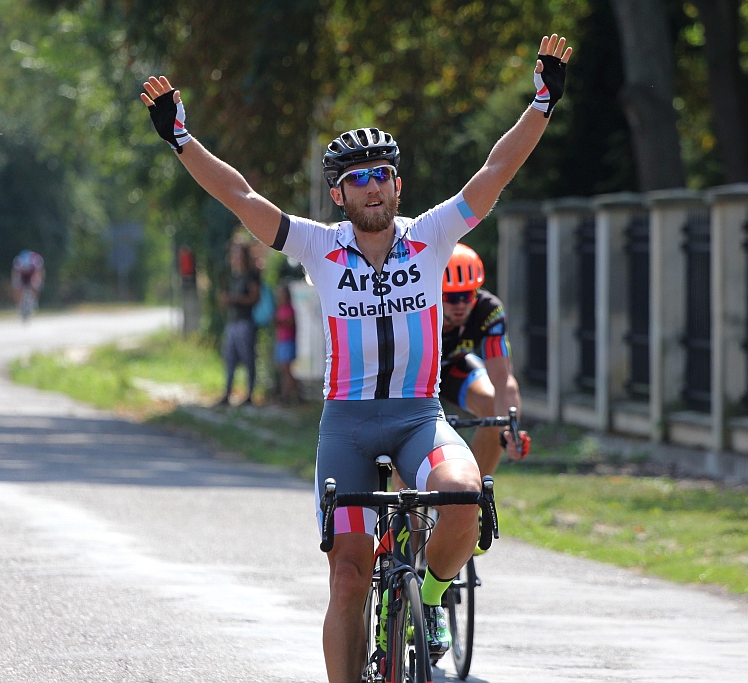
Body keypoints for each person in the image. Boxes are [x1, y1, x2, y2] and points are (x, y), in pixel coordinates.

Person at [140, 33, 571, 683]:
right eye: (357, 179)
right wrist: (180, 139)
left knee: (463, 495)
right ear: (339, 195)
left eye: (382, 175)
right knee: (349, 573)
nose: (373, 187)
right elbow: (240, 196)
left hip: (418, 416)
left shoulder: (431, 237)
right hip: (347, 423)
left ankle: (428, 598)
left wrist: (541, 102)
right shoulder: (319, 246)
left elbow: (494, 171)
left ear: (398, 185)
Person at [441, 243, 531, 478]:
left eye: (467, 295)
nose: (460, 305)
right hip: (412, 375)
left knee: (493, 407)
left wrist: (508, 433)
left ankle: (472, 496)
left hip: (453, 368)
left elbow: (503, 380)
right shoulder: (415, 309)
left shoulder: (488, 310)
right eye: (451, 297)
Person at [217, 242, 260, 406]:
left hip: (245, 322)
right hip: (232, 322)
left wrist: (235, 299)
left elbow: (255, 298)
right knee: (230, 359)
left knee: (248, 359)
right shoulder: (233, 276)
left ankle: (250, 394)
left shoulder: (250, 276)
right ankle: (227, 393)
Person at [273, 283, 300, 404]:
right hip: (281, 341)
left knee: (287, 369)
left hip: (288, 341)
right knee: (284, 370)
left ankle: (292, 394)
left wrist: (280, 322)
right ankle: (288, 394)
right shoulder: (279, 309)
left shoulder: (290, 309)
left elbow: (290, 323)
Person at [11, 250, 45, 317]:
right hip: (22, 276)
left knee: (36, 285)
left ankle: (35, 301)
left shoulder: (36, 260)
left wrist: (38, 281)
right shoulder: (18, 261)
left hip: (32, 275)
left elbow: (39, 272)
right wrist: (15, 281)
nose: (26, 269)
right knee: (16, 287)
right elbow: (15, 273)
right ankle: (19, 305)